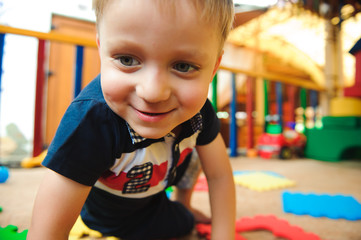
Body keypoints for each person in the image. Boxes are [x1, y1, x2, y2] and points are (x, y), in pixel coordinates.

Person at [27, 0, 235, 239]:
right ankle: (182, 212)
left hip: (155, 198)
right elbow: (45, 232)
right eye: (127, 60)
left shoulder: (199, 112)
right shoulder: (91, 122)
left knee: (202, 145)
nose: (152, 92)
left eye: (183, 66)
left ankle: (183, 204)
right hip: (107, 220)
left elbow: (219, 176)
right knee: (183, 224)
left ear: (213, 68)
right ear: (100, 47)